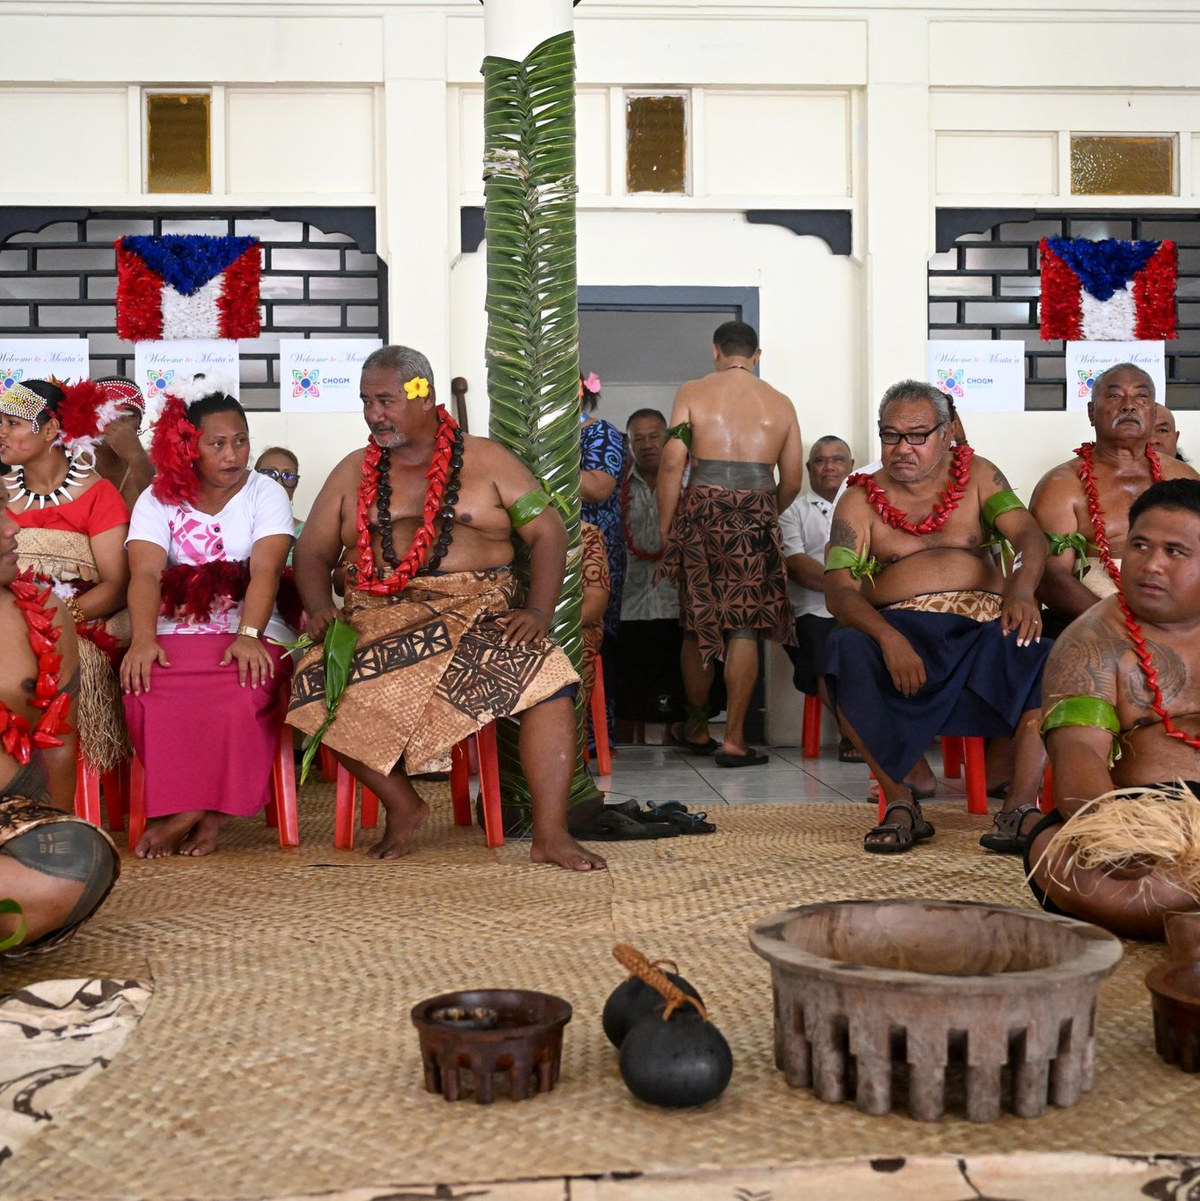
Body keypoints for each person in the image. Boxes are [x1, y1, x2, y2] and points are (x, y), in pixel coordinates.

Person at [288, 344, 606, 872]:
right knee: (314, 688)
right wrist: (321, 606)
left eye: (385, 400)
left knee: (549, 677)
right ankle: (403, 804)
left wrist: (540, 613)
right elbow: (313, 552)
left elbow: (548, 532)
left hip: (477, 611)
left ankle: (551, 834)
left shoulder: (488, 460)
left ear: (422, 393)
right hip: (377, 617)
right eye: (366, 401)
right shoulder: (352, 472)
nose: (374, 414)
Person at [823, 380, 1052, 854]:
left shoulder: (980, 476)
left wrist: (1023, 590)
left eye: (917, 435)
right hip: (904, 630)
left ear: (947, 434)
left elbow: (1030, 535)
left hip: (983, 627)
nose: (901, 448)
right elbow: (839, 592)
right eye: (890, 436)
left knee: (1050, 657)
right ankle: (900, 802)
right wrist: (888, 638)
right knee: (841, 652)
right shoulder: (858, 500)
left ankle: (1020, 807)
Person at [121, 379, 296, 859]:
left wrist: (247, 634)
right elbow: (144, 572)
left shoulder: (265, 493)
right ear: (188, 448)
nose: (233, 453)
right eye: (217, 443)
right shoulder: (158, 497)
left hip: (254, 624)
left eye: (241, 440)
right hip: (174, 624)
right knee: (145, 685)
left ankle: (196, 814)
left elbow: (266, 570)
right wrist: (140, 640)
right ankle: (199, 808)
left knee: (244, 685)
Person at [1027, 479, 1200, 938]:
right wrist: (1115, 836)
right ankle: (1181, 911)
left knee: (1159, 893)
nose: (1151, 565)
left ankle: (1181, 914)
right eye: (1140, 545)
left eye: (1175, 552)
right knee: (1054, 858)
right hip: (1134, 817)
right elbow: (1078, 756)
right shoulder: (1091, 643)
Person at [657, 320, 803, 767]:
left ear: (716, 351)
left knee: (698, 622)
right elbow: (793, 481)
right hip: (757, 511)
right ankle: (736, 739)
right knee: (744, 628)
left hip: (701, 511)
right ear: (756, 355)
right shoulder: (780, 404)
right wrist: (759, 514)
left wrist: (668, 529)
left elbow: (671, 463)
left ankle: (699, 728)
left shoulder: (693, 392)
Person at [0, 489, 119, 959]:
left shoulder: (46, 614)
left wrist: (48, 831)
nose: (14, 528)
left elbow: (59, 749)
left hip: (7, 821)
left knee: (80, 860)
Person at [1, 379, 132, 776]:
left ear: (50, 430)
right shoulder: (1, 492)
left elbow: (117, 584)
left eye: (11, 422)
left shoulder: (98, 494)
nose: (0, 433)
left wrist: (53, 620)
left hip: (78, 624)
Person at [1031, 364, 1197, 634]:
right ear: (1091, 412)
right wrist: (1119, 623)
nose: (1129, 406)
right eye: (1115, 396)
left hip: (1176, 620)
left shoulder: (1184, 477)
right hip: (1094, 622)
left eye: (1141, 397)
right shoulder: (1061, 485)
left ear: (1153, 413)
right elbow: (1050, 576)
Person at [778, 435, 856, 758]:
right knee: (824, 650)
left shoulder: (866, 504)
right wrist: (845, 589)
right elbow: (796, 565)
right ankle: (852, 734)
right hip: (810, 610)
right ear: (809, 469)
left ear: (851, 467)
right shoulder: (791, 509)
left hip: (859, 607)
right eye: (820, 461)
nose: (829, 466)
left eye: (837, 459)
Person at [614, 407, 685, 742]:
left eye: (654, 436)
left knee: (679, 683)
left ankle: (682, 734)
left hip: (679, 601)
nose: (646, 444)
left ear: (668, 437)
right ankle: (628, 744)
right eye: (637, 439)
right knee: (631, 687)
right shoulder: (616, 485)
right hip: (633, 601)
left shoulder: (690, 479)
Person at [579, 372, 625, 741]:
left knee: (595, 638)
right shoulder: (533, 439)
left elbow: (598, 486)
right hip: (545, 549)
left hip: (596, 553)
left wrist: (539, 471)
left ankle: (595, 737)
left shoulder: (601, 433)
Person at [91, 377, 154, 510]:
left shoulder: (159, 466)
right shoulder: (69, 467)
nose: (116, 421)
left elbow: (163, 513)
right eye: (104, 412)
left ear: (139, 423)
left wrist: (137, 458)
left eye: (128, 414)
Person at [580, 520, 610, 720]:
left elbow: (594, 605)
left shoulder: (586, 534)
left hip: (574, 624)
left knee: (574, 646)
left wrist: (544, 624)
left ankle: (565, 746)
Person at [255, 446, 304, 561]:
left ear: (295, 486)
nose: (279, 483)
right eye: (269, 473)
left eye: (288, 475)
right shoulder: (237, 526)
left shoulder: (307, 534)